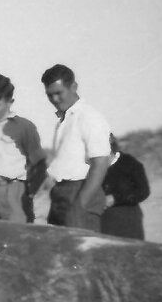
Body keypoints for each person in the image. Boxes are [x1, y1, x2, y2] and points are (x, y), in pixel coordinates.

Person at [42, 64, 113, 231]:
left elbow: (101, 163)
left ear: (73, 87)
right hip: (61, 195)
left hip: (80, 193)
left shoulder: (89, 117)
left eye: (59, 93)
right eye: (50, 95)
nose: (55, 100)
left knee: (80, 254)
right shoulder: (64, 120)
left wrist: (80, 204)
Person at [0, 74, 46, 223]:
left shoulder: (24, 127)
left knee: (17, 240)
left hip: (14, 192)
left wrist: (28, 193)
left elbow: (40, 164)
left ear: (10, 102)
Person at [101, 133, 151, 239]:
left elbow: (143, 191)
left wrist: (115, 198)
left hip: (128, 219)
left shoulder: (129, 163)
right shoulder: (89, 167)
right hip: (102, 221)